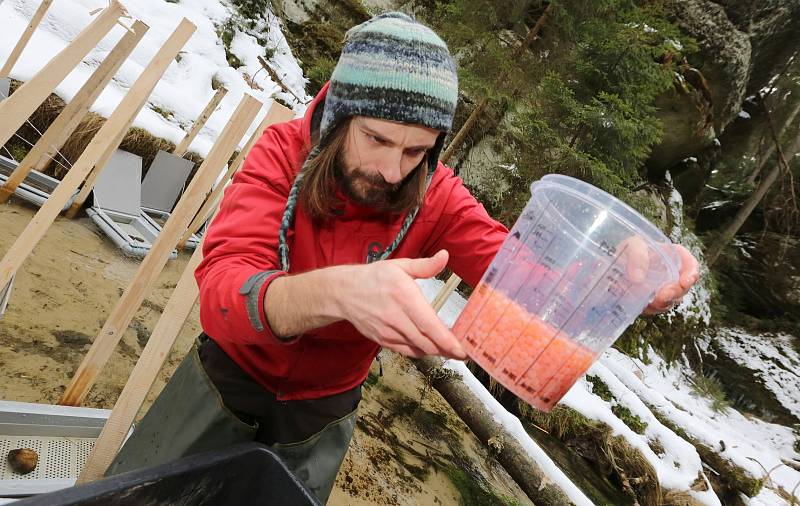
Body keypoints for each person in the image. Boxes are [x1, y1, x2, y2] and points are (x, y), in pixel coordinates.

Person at [107, 11, 700, 503]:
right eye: (377, 139)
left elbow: (529, 280)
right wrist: (337, 293)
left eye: (416, 150)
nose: (393, 171)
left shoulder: (437, 197)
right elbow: (221, 294)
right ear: (339, 116)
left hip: (322, 413)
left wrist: (619, 280)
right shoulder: (281, 155)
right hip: (225, 379)